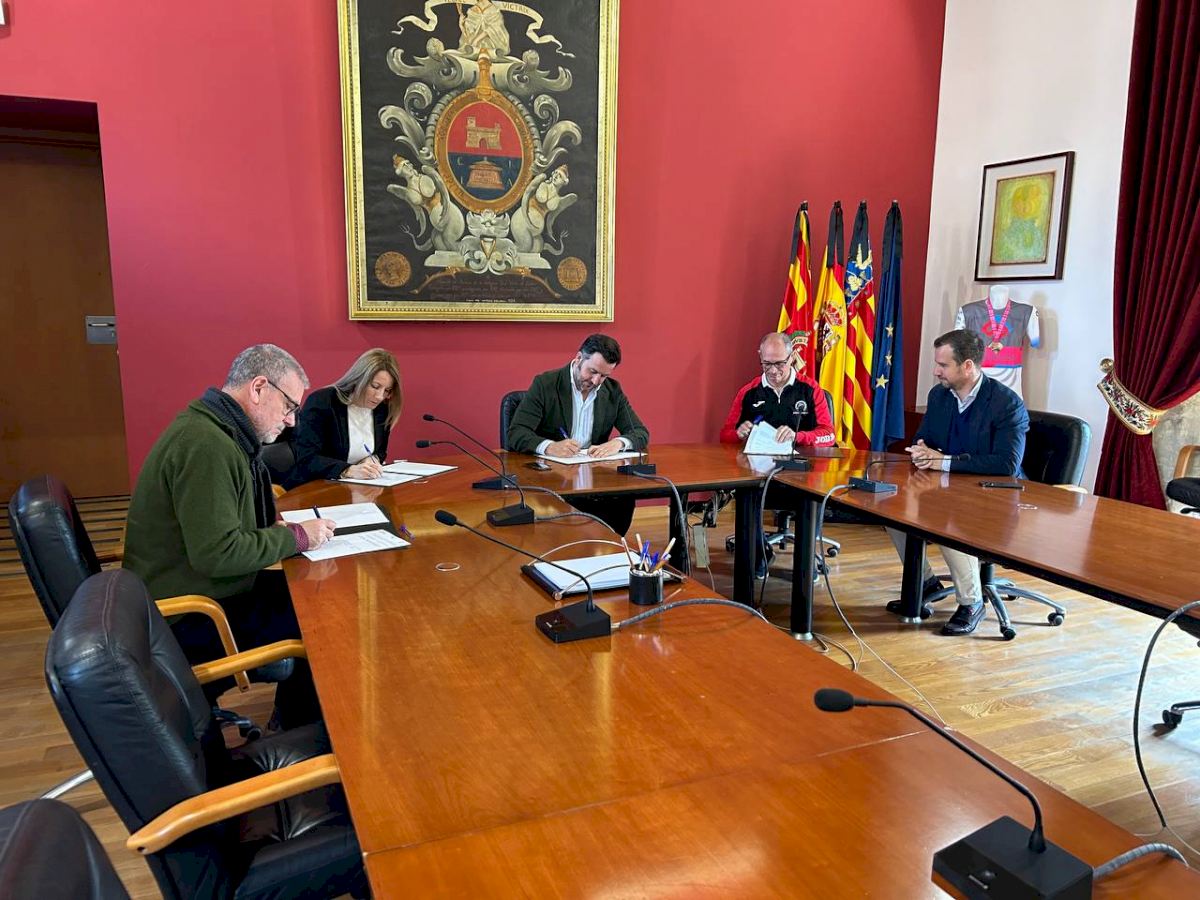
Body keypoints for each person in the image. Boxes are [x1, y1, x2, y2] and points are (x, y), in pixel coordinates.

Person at [124, 344, 335, 727]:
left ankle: (293, 722)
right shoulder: (207, 445)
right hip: (189, 614)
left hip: (197, 590)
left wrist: (278, 532)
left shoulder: (212, 428)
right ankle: (303, 737)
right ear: (259, 388)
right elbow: (218, 553)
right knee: (322, 623)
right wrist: (298, 538)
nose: (291, 421)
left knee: (312, 596)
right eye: (289, 406)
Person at [885, 329, 1029, 635]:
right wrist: (921, 451)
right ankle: (924, 584)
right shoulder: (939, 396)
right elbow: (924, 438)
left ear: (967, 366)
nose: (936, 371)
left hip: (996, 498)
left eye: (943, 365)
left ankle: (971, 602)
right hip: (946, 489)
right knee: (888, 507)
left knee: (949, 519)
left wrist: (944, 461)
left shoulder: (1006, 404)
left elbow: (1006, 464)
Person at [506, 333, 649, 535]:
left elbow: (640, 432)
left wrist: (618, 443)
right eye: (593, 372)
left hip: (594, 479)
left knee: (623, 497)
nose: (596, 380)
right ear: (579, 358)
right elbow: (516, 433)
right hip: (552, 478)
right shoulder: (546, 384)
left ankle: (606, 547)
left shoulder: (612, 391)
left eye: (604, 376)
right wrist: (549, 446)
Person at [720, 332, 836, 576]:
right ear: (760, 358)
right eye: (767, 364)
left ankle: (805, 566)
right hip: (760, 472)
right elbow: (725, 436)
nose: (773, 371)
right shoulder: (749, 392)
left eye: (780, 364)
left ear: (792, 357)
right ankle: (759, 555)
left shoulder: (810, 390)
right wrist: (739, 433)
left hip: (802, 472)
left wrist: (798, 436)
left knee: (811, 496)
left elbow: (829, 435)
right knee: (747, 494)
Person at [287, 348, 403, 488]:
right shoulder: (323, 401)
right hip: (315, 487)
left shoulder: (382, 409)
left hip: (358, 488)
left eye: (387, 390)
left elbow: (380, 451)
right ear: (359, 379)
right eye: (375, 386)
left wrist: (371, 460)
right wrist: (348, 470)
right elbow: (307, 458)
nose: (379, 396)